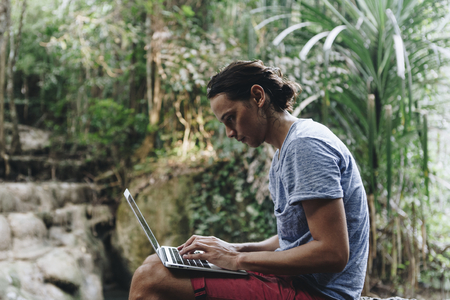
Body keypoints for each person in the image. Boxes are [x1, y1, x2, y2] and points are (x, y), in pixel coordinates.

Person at [129, 60, 369, 300]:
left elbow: (333, 253)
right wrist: (236, 248)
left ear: (257, 96)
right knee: (154, 263)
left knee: (150, 279)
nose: (229, 133)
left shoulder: (305, 145)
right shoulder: (285, 152)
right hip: (297, 283)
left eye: (230, 118)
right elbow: (299, 236)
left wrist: (236, 259)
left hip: (319, 294)